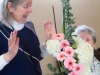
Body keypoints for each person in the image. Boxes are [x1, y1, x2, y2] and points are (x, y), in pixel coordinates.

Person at [0, 0, 56, 75]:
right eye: (25, 6)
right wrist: (8, 56)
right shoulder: (1, 30)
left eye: (30, 5)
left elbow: (35, 56)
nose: (30, 10)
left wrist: (48, 43)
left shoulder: (29, 25)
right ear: (10, 6)